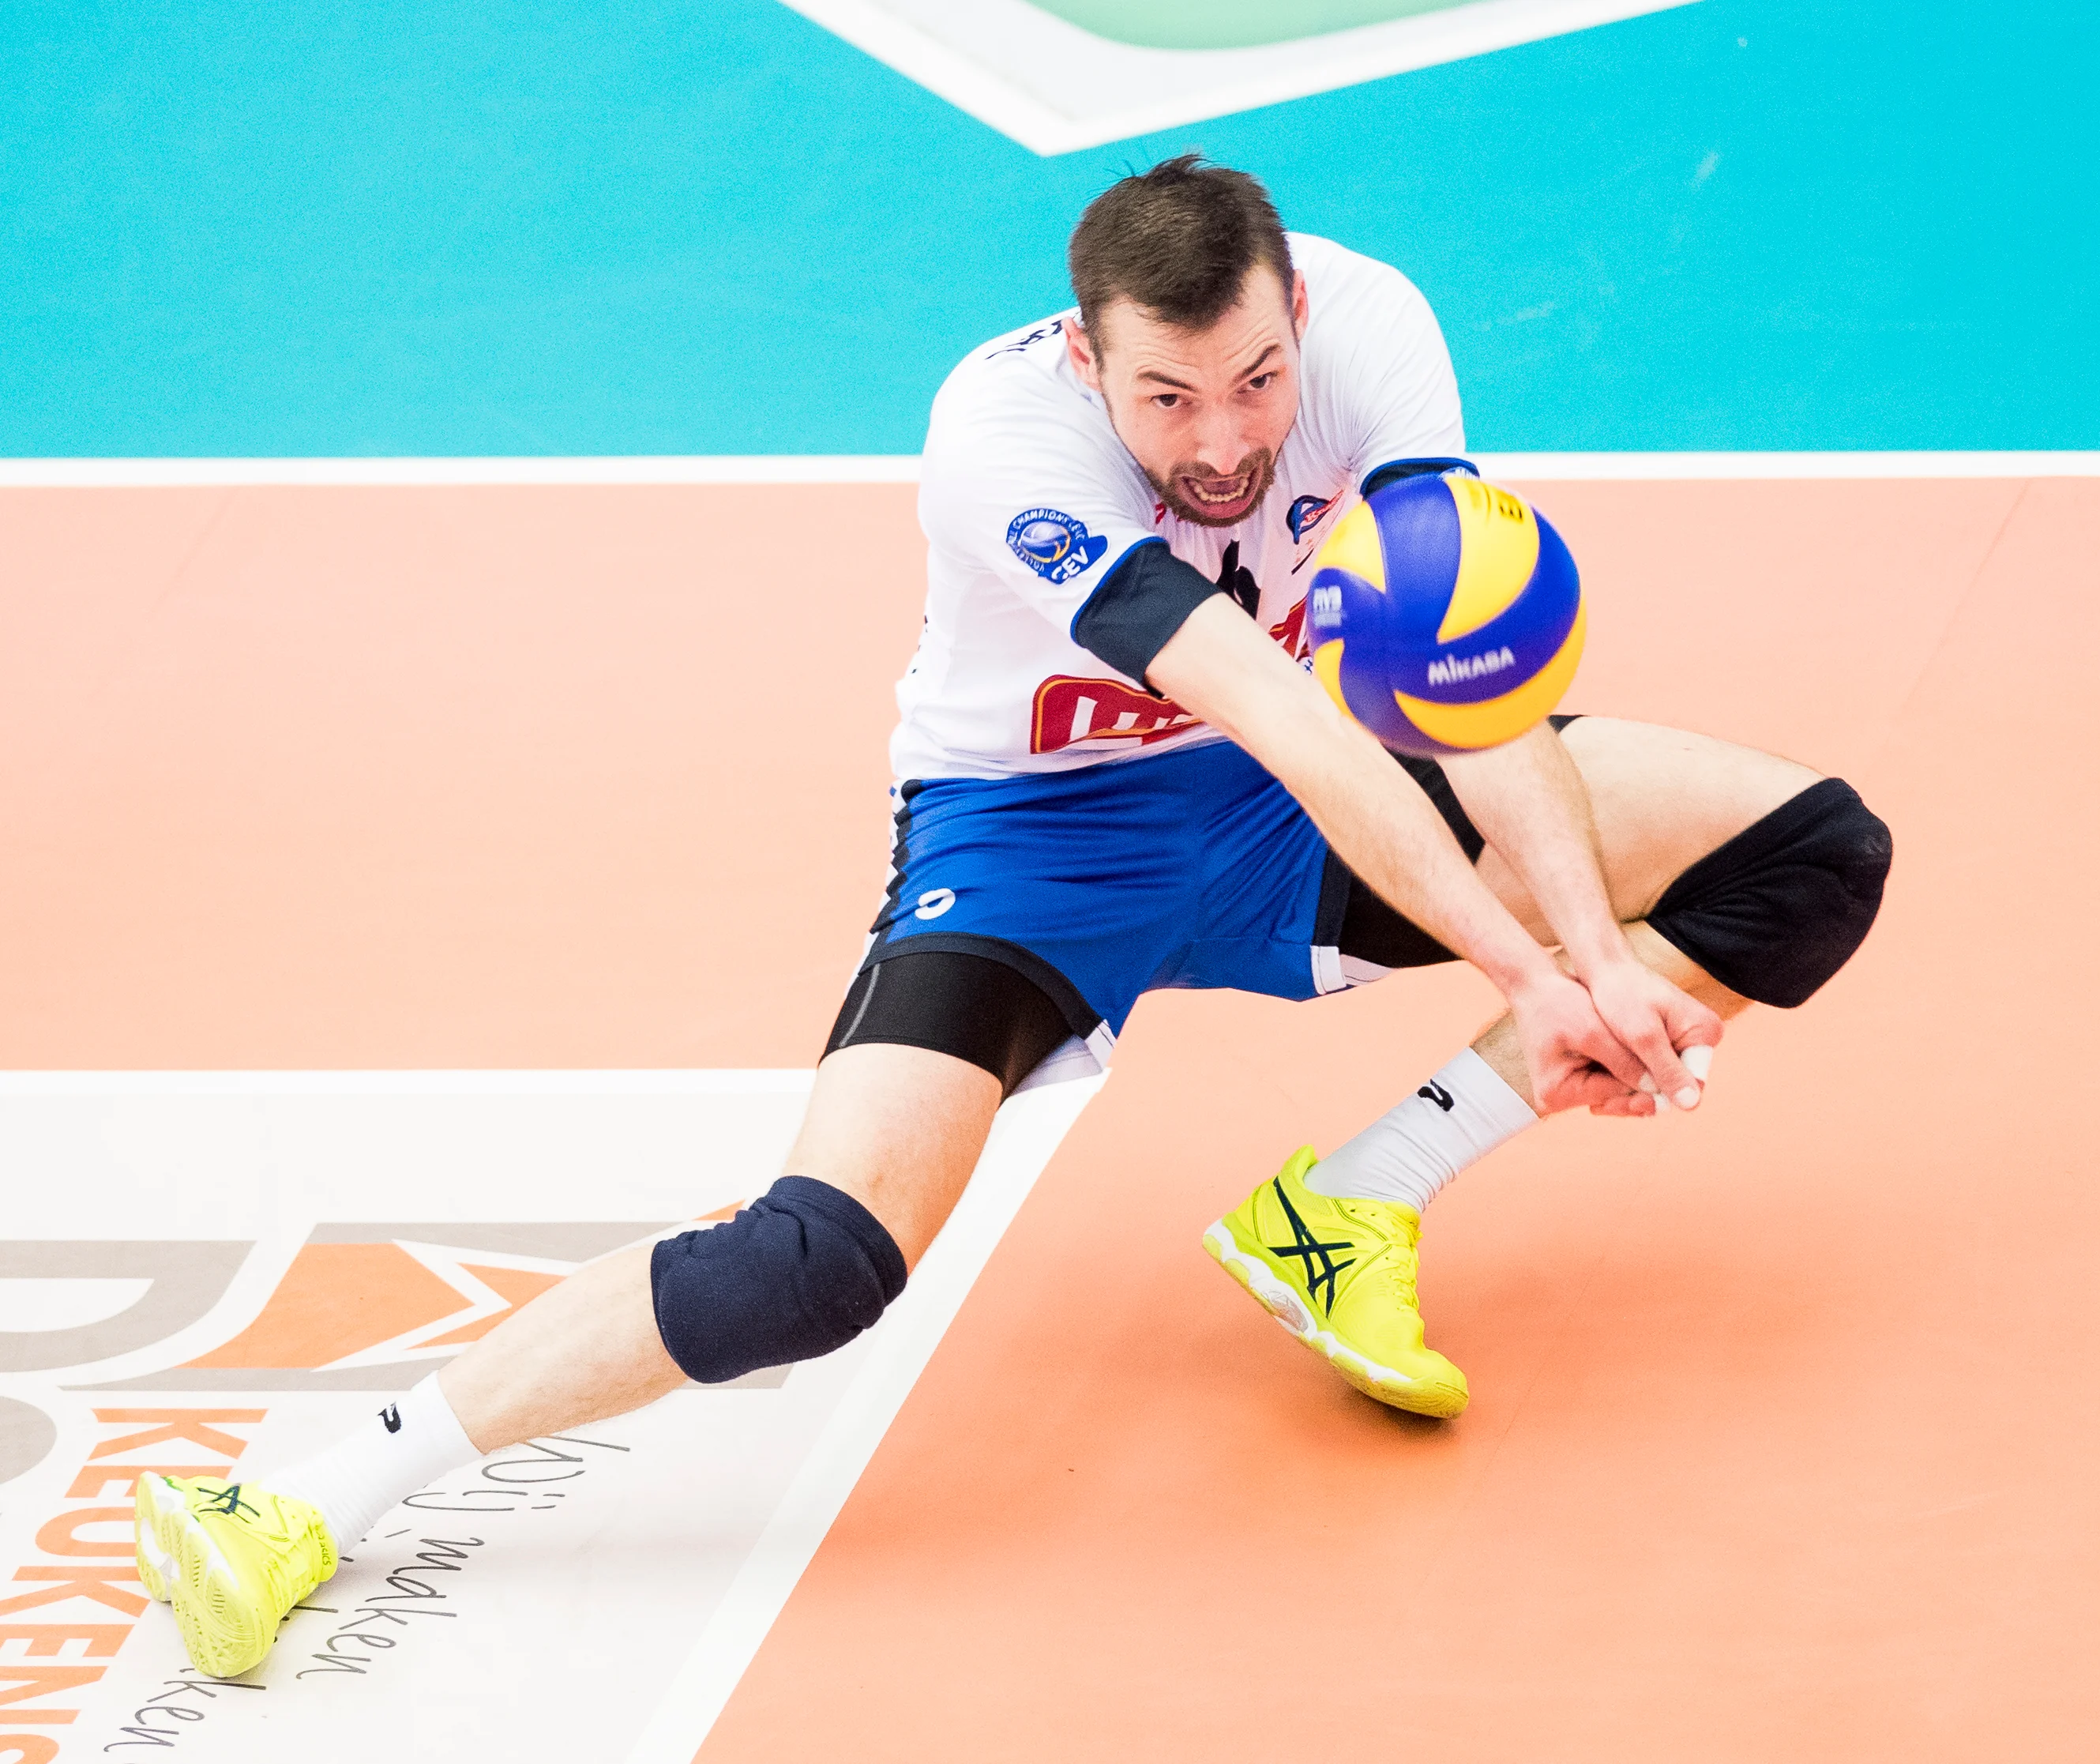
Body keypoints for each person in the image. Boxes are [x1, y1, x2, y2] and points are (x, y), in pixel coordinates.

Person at [133, 154, 1892, 1679]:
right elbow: (1274, 706)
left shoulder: (1374, 336)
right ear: (1088, 358)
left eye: (1257, 383)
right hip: (1034, 843)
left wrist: (1590, 956)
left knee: (1809, 852)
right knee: (816, 1261)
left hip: (1294, 798)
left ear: (1297, 310)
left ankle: (1350, 1202)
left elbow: (1458, 679)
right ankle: (299, 1494)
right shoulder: (1001, 436)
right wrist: (1535, 971)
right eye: (1170, 401)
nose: (1226, 444)